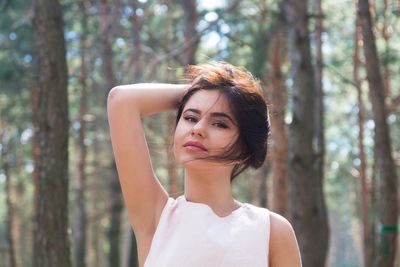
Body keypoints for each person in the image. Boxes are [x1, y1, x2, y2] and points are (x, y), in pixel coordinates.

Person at [107, 62, 302, 267]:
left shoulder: (271, 230)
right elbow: (121, 100)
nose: (198, 129)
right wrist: (204, 88)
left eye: (219, 123)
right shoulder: (157, 217)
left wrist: (227, 93)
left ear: (245, 148)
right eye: (190, 117)